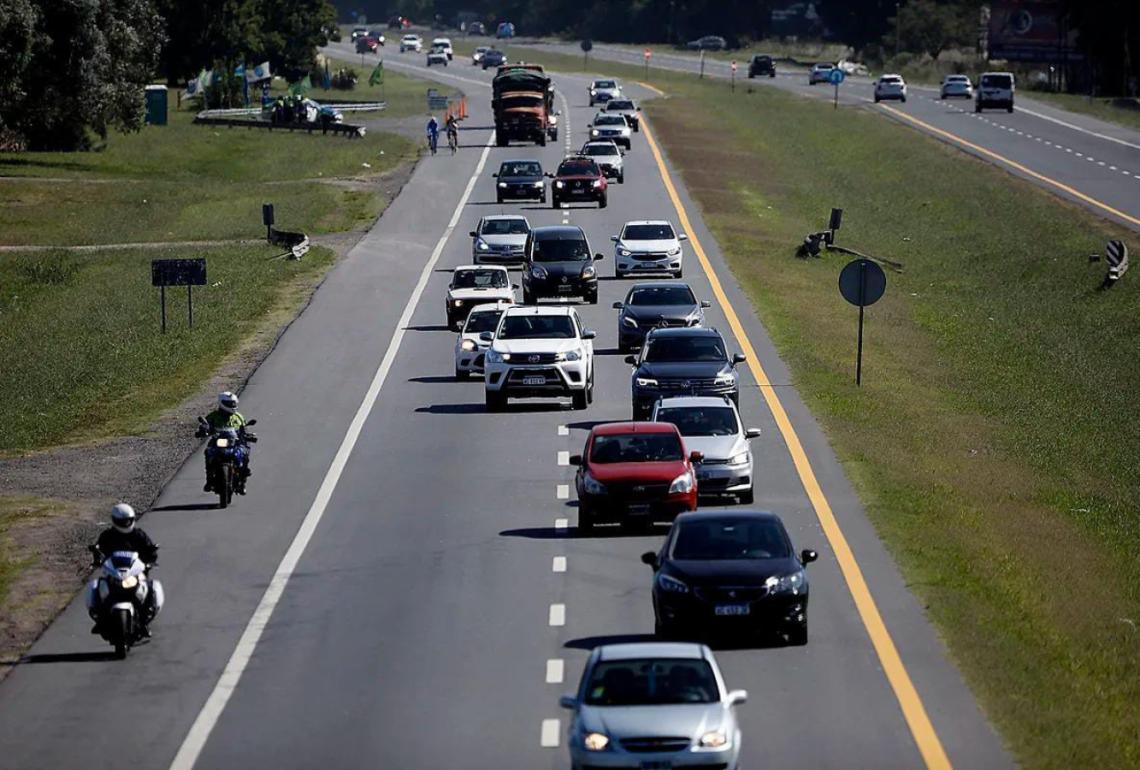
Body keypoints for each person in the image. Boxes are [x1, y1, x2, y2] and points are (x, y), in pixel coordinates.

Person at [92, 504, 159, 636]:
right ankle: (100, 619)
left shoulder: (138, 535)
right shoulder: (108, 535)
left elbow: (150, 550)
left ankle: (144, 621)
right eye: (122, 521)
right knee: (96, 588)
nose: (125, 523)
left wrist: (149, 561)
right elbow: (99, 550)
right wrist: (97, 558)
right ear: (115, 520)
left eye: (127, 520)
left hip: (135, 573)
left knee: (151, 588)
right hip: (114, 573)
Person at [199, 391, 251, 493]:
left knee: (245, 452)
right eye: (229, 404)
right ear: (222, 403)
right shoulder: (213, 416)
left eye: (233, 403)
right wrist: (203, 429)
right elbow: (206, 424)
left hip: (234, 442)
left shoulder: (238, 416)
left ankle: (242, 481)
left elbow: (244, 428)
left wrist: (248, 435)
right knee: (208, 452)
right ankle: (209, 479)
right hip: (217, 442)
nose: (232, 406)